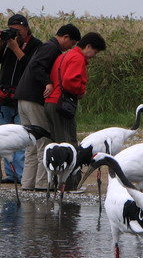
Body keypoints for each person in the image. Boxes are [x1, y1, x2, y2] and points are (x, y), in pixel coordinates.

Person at [15, 24, 81, 191]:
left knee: (31, 144)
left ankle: (27, 184)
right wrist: (48, 83)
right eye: (71, 43)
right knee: (44, 142)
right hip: (34, 100)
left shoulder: (45, 46)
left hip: (22, 99)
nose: (71, 47)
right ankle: (43, 184)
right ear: (65, 37)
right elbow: (36, 66)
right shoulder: (51, 48)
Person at [44, 32, 106, 189]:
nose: (95, 56)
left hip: (52, 102)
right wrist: (81, 91)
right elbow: (69, 82)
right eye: (96, 52)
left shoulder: (65, 55)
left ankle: (57, 184)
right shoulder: (77, 58)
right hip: (61, 105)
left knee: (57, 143)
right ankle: (70, 185)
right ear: (88, 46)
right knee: (68, 144)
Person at [0, 14, 42, 184]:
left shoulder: (36, 45)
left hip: (22, 98)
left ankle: (22, 175)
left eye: (18, 30)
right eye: (12, 30)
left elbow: (31, 66)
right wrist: (1, 42)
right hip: (4, 98)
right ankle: (11, 175)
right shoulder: (6, 44)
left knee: (20, 139)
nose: (15, 34)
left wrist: (16, 48)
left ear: (26, 29)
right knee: (4, 139)